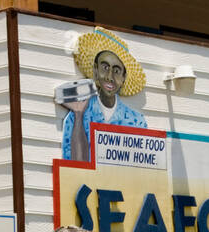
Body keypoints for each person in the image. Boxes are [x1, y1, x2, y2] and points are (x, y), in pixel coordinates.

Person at [61, 28, 148, 163]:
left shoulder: (137, 122)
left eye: (117, 71)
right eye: (105, 68)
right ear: (96, 71)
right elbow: (72, 166)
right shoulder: (75, 116)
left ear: (124, 77)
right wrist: (78, 116)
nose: (110, 77)